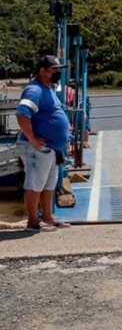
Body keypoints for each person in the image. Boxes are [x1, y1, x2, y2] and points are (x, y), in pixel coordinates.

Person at [15, 55, 72, 232]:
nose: (58, 72)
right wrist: (32, 139)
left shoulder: (49, 89)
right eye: (54, 69)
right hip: (37, 148)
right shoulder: (34, 90)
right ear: (42, 71)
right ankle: (33, 221)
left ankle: (47, 217)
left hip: (52, 149)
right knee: (34, 184)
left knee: (48, 184)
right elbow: (22, 114)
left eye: (59, 69)